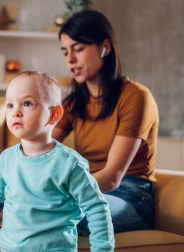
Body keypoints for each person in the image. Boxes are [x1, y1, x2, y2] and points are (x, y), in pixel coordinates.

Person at [0, 71, 114, 251]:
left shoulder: (70, 165)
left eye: (27, 103)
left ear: (54, 115)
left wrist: (102, 249)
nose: (15, 112)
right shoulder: (7, 159)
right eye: (9, 105)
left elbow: (96, 209)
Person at [54, 10, 158, 234]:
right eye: (65, 52)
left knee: (64, 216)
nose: (70, 59)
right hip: (86, 190)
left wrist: (56, 197)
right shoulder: (73, 104)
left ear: (105, 48)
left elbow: (112, 177)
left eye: (78, 49)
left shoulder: (136, 96)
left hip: (129, 196)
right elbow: (41, 146)